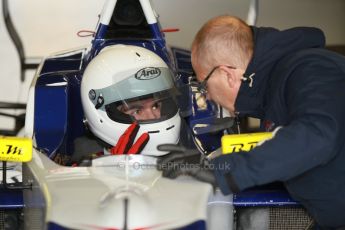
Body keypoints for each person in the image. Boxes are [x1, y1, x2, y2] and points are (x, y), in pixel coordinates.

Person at [157, 15, 345, 228]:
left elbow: (315, 136)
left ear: (227, 74)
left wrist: (221, 171)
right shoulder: (276, 90)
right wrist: (215, 163)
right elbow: (283, 151)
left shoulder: (311, 69)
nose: (207, 96)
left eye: (204, 85)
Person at [71, 44, 183, 163]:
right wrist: (109, 172)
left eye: (156, 106)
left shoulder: (187, 146)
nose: (152, 116)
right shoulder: (82, 166)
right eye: (136, 110)